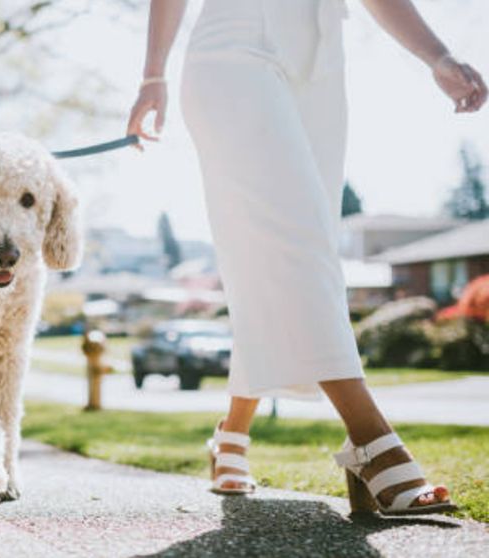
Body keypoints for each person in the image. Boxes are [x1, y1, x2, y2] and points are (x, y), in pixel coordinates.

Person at [126, 0, 486, 515]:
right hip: (234, 46)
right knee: (295, 243)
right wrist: (152, 73)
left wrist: (438, 56)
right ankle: (370, 440)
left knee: (294, 255)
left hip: (321, 62)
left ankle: (232, 433)